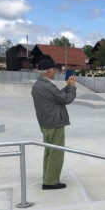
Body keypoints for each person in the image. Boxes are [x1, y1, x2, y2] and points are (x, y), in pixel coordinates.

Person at [31, 59, 77, 190]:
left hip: (46, 122)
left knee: (49, 151)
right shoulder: (47, 86)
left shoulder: (39, 85)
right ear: (49, 71)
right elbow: (66, 99)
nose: (56, 72)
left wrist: (67, 86)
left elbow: (57, 96)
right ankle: (50, 182)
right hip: (54, 123)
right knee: (56, 152)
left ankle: (47, 177)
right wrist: (72, 87)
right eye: (55, 70)